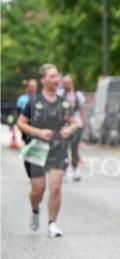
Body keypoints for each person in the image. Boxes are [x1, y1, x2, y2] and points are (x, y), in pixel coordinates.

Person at [17, 65, 76, 237]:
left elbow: (74, 122)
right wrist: (39, 132)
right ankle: (35, 210)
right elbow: (21, 123)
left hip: (58, 148)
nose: (56, 79)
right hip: (37, 149)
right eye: (52, 76)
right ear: (43, 80)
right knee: (38, 190)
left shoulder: (64, 102)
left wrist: (69, 129)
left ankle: (52, 223)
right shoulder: (33, 101)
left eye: (57, 76)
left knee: (56, 187)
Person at [61, 75, 86, 181]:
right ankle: (65, 171)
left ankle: (76, 171)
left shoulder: (78, 95)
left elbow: (81, 110)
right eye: (64, 82)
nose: (66, 84)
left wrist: (84, 123)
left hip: (76, 125)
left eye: (68, 82)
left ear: (72, 83)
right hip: (63, 126)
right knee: (64, 149)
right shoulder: (60, 95)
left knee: (74, 149)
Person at [15, 79, 37, 177]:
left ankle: (37, 171)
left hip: (37, 128)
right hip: (26, 128)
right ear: (27, 88)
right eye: (31, 87)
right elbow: (18, 114)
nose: (32, 89)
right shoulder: (22, 99)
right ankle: (29, 167)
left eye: (34, 87)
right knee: (28, 146)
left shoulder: (39, 99)